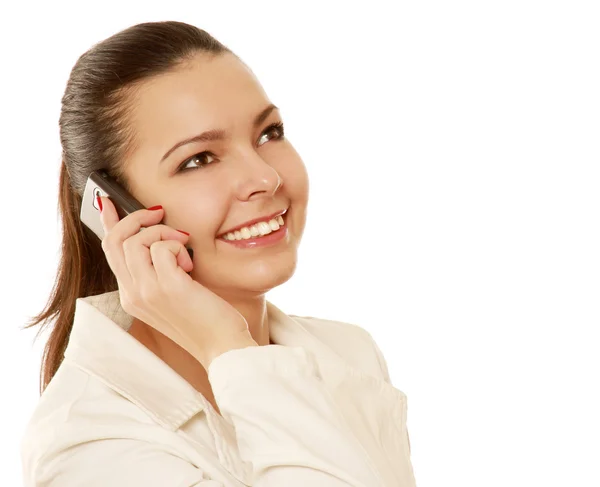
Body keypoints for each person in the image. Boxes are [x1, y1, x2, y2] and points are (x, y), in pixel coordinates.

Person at [20, 20, 416, 486]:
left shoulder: (348, 352)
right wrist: (225, 346)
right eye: (199, 159)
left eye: (269, 133)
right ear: (112, 210)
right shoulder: (91, 447)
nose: (265, 178)